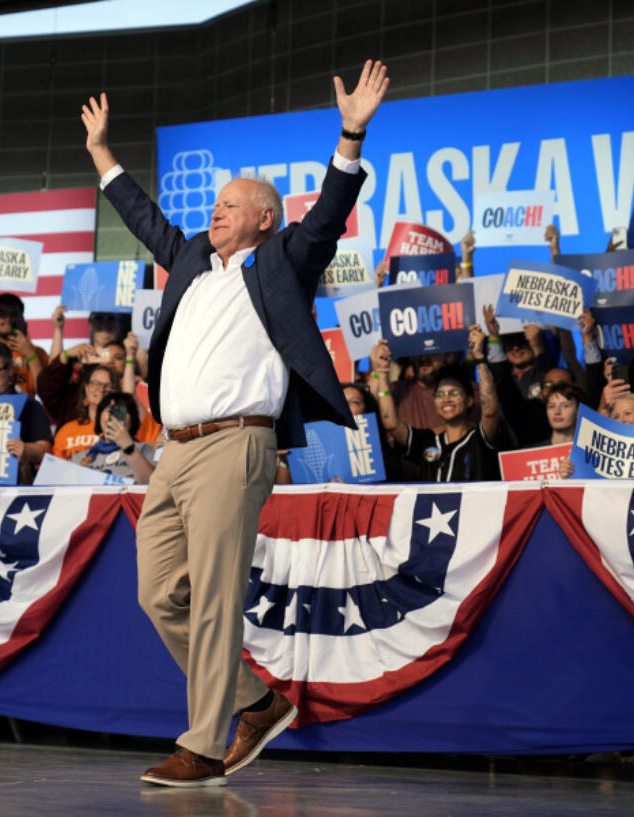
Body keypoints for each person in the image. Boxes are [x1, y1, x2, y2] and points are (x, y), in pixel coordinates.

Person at [82, 59, 388, 786]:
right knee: (157, 593)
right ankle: (256, 701)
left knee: (217, 599)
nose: (216, 211)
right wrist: (100, 150)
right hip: (174, 451)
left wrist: (351, 133)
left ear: (263, 218)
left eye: (231, 204)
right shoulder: (191, 258)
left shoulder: (284, 259)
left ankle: (203, 745)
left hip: (236, 443)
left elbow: (328, 215)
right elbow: (144, 215)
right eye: (215, 203)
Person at [375, 327, 512, 482]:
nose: (446, 399)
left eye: (453, 393)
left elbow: (490, 412)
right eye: (440, 394)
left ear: (469, 400)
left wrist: (480, 358)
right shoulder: (428, 442)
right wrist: (382, 372)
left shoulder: (480, 439)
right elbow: (391, 424)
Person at [0, 338, 53, 483]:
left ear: (10, 370)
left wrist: (26, 449)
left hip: (13, 485)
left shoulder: (29, 405)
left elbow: (45, 450)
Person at [78, 391, 156, 483]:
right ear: (99, 417)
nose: (113, 417)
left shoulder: (145, 449)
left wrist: (128, 447)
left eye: (120, 412)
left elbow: (152, 485)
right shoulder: (80, 457)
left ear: (132, 420)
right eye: (109, 410)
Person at [52, 364, 115, 461]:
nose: (101, 389)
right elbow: (56, 468)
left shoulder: (119, 430)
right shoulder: (66, 431)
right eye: (96, 383)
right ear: (86, 388)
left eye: (107, 386)